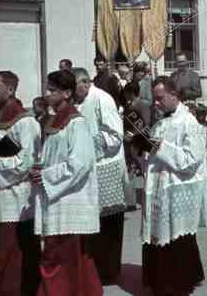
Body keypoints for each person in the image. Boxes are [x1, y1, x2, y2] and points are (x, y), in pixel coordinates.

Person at [31, 70, 102, 296]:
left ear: (67, 93)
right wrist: (40, 166)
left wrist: (46, 176)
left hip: (71, 200)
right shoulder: (53, 120)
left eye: (52, 90)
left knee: (60, 259)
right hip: (56, 197)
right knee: (68, 259)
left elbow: (80, 163)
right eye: (47, 89)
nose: (47, 94)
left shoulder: (76, 123)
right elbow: (53, 156)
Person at [142, 76, 206, 296]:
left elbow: (191, 160)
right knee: (158, 234)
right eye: (154, 99)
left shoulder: (189, 123)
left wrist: (160, 147)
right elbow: (153, 153)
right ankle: (158, 281)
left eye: (160, 98)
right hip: (159, 186)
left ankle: (177, 284)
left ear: (174, 95)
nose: (156, 103)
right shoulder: (160, 123)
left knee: (178, 236)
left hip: (178, 187)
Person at [71, 67, 127, 285]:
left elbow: (115, 135)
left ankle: (109, 271)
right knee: (95, 223)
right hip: (93, 167)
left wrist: (88, 141)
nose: (72, 93)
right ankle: (97, 268)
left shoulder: (102, 99)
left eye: (74, 87)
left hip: (108, 166)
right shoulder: (82, 101)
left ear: (85, 82)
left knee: (110, 223)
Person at [0, 71, 41, 295]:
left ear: (10, 90)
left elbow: (25, 163)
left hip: (17, 199)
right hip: (0, 195)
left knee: (15, 253)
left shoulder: (26, 122)